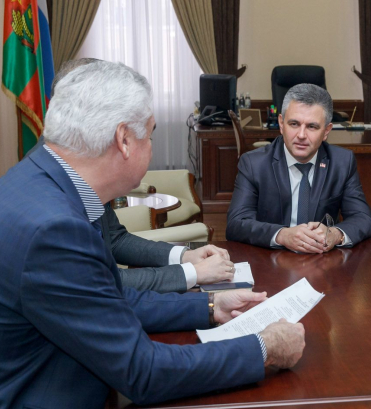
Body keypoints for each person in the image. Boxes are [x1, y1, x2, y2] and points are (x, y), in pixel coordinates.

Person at [0, 61, 305, 409]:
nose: (151, 146)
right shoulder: (54, 229)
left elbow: (106, 298)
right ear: (124, 140)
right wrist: (264, 348)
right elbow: (142, 372)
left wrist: (210, 306)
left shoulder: (44, 180)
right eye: (150, 135)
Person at [27, 57, 229, 293]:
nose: (149, 146)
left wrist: (185, 256)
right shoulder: (48, 199)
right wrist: (194, 275)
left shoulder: (80, 169)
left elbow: (115, 239)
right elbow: (98, 285)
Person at [226, 83, 371, 253]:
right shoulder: (254, 164)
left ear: (326, 131)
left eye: (312, 126)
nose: (301, 135)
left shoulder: (342, 162)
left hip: (322, 259)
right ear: (281, 123)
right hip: (270, 257)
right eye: (294, 124)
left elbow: (363, 219)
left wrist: (335, 234)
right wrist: (282, 235)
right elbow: (236, 224)